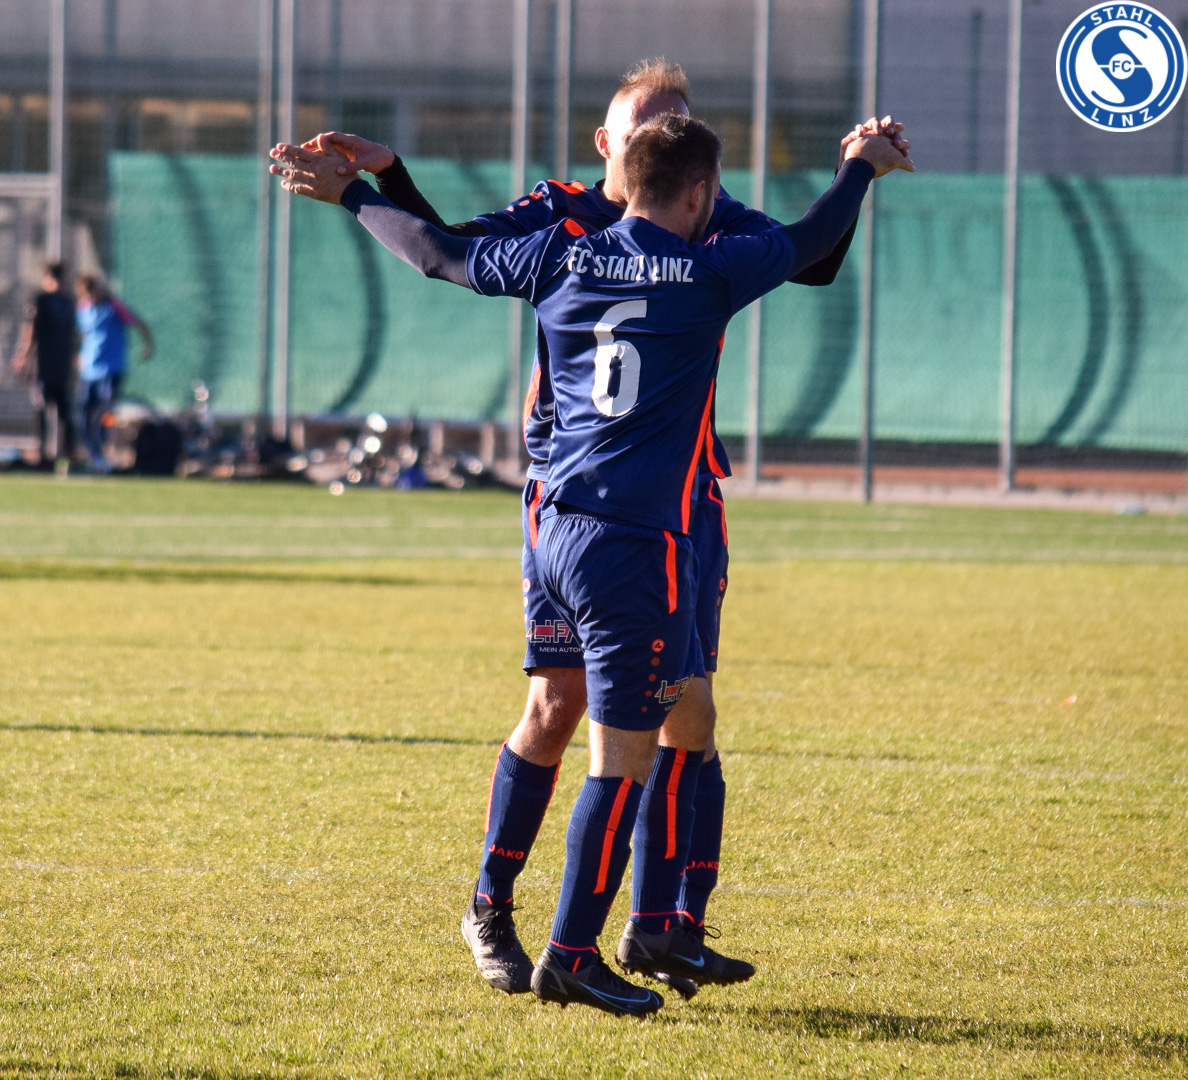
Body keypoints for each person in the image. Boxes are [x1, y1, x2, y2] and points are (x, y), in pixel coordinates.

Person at [273, 58, 908, 996]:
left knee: (688, 712)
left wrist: (363, 192)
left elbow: (443, 255)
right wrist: (859, 167)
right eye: (649, 122)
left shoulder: (650, 230)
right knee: (568, 710)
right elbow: (449, 243)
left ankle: (662, 927)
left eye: (677, 118)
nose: (665, 132)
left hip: (677, 502)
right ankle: (499, 909)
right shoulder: (583, 221)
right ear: (610, 144)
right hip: (588, 503)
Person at [74, 275, 154, 473]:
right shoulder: (82, 308)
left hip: (110, 370)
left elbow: (139, 323)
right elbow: (83, 335)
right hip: (88, 371)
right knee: (84, 414)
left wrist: (148, 345)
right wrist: (79, 355)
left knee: (104, 413)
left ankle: (104, 451)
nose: (90, 297)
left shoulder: (113, 306)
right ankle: (92, 454)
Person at [10, 261, 79, 471]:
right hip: (52, 366)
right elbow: (31, 330)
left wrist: (21, 355)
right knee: (52, 411)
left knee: (53, 412)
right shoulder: (57, 302)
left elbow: (31, 331)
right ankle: (54, 456)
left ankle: (54, 456)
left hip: (51, 366)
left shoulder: (55, 301)